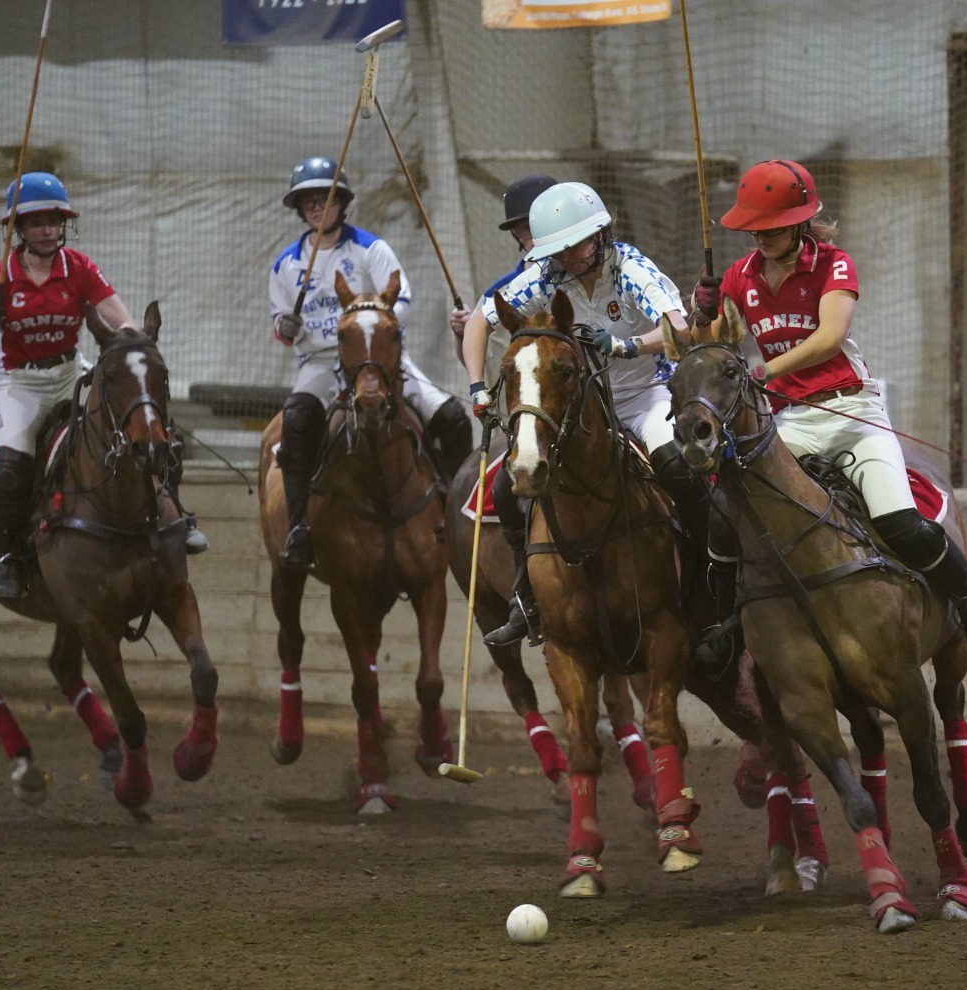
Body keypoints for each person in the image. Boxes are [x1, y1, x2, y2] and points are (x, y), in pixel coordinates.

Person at [695, 159, 967, 663]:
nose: (760, 237)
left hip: (850, 413)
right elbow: (707, 342)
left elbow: (829, 337)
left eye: (771, 227)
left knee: (899, 520)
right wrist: (701, 310)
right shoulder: (739, 276)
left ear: (799, 222)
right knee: (726, 513)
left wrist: (763, 373)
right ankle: (726, 622)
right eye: (754, 228)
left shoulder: (834, 263)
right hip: (789, 422)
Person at [462, 181, 704, 648]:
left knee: (675, 464)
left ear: (599, 235)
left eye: (576, 246)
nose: (569, 257)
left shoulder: (629, 268)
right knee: (508, 488)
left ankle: (708, 574)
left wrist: (625, 345)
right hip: (579, 405)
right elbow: (480, 322)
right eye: (560, 250)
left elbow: (679, 329)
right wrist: (477, 386)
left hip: (646, 394)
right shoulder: (545, 277)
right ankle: (526, 597)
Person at [0, 171, 206, 601]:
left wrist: (133, 342)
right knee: (9, 469)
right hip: (20, 385)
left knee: (145, 428)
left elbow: (122, 318)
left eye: (54, 220)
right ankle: (7, 557)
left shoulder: (78, 267)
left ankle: (175, 517)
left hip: (71, 373)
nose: (47, 230)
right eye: (36, 221)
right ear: (17, 228)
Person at [267, 156, 475, 572]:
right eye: (307, 201)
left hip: (380, 360)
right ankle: (298, 528)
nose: (315, 207)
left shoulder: (370, 248)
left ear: (341, 203)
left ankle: (459, 519)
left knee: (452, 417)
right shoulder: (286, 264)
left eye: (323, 199)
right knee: (296, 421)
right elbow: (281, 328)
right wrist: (285, 324)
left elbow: (403, 300)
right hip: (322, 363)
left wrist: (366, 323)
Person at [447, 173, 557, 347]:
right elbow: (480, 361)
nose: (538, 232)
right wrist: (464, 333)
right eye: (527, 227)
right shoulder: (498, 293)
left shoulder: (590, 267)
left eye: (546, 221)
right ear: (516, 235)